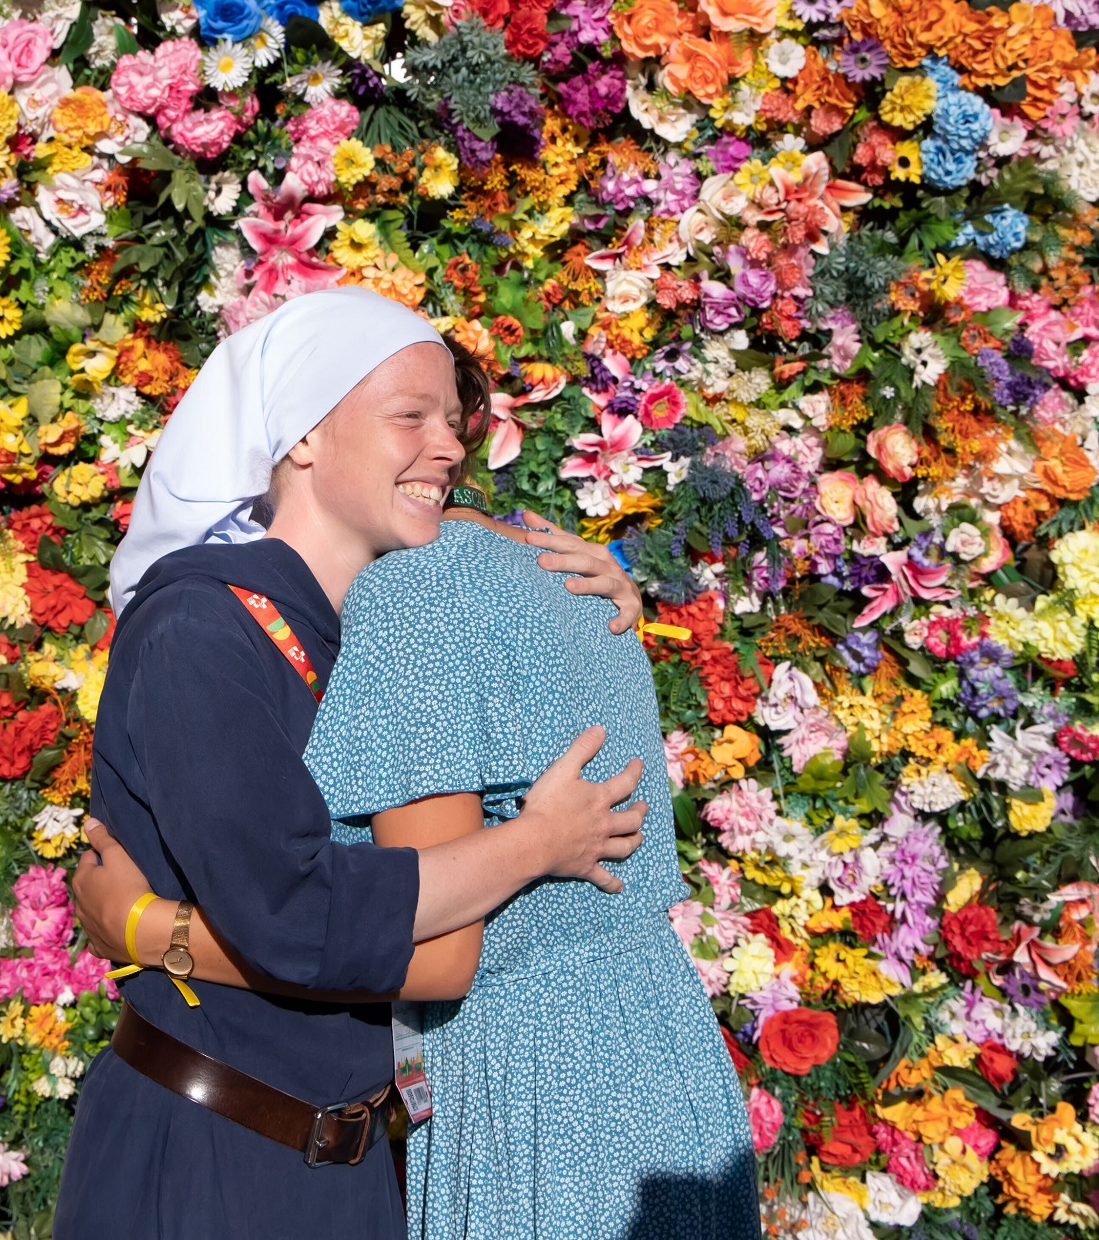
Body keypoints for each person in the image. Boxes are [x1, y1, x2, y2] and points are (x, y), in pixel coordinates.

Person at [52, 285, 651, 1240]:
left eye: (455, 422)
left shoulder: (377, 625)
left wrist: (601, 578)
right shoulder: (200, 628)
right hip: (211, 1164)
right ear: (300, 438)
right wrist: (537, 842)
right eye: (409, 416)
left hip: (352, 1170)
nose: (450, 448)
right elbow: (294, 909)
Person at [74, 489, 761, 1237]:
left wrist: (151, 930)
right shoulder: (564, 572)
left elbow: (434, 954)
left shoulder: (420, 591)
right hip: (662, 1052)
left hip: (542, 1095)